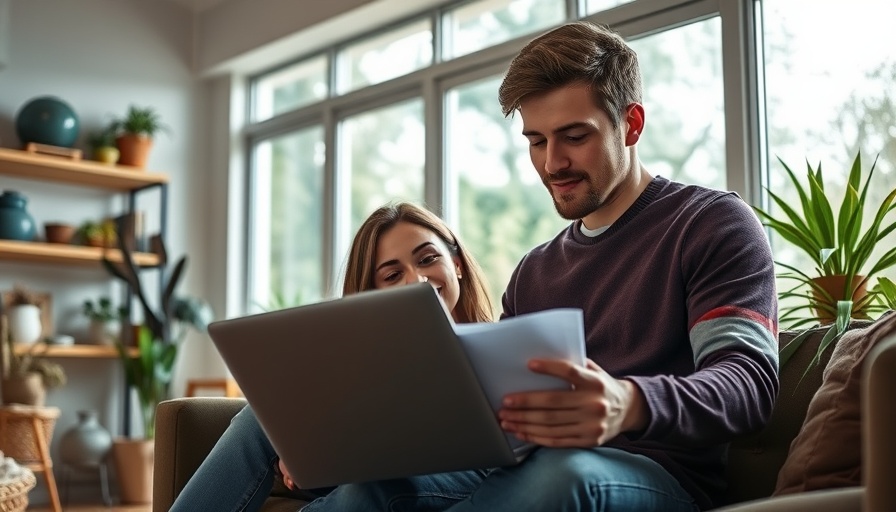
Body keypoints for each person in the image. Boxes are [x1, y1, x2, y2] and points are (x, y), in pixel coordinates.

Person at [297, 21, 779, 512]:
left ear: (631, 124)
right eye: (536, 141)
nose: (552, 164)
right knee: (372, 487)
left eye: (573, 136)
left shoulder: (711, 223)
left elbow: (747, 383)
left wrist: (627, 403)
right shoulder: (535, 270)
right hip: (534, 469)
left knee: (561, 473)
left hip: (657, 481)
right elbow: (488, 410)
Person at [169, 201, 495, 511]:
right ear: (372, 294)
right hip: (374, 465)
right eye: (393, 275)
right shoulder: (366, 360)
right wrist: (306, 454)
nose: (417, 278)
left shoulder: (495, 343)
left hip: (464, 475)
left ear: (456, 264)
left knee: (368, 488)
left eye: (427, 259)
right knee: (257, 421)